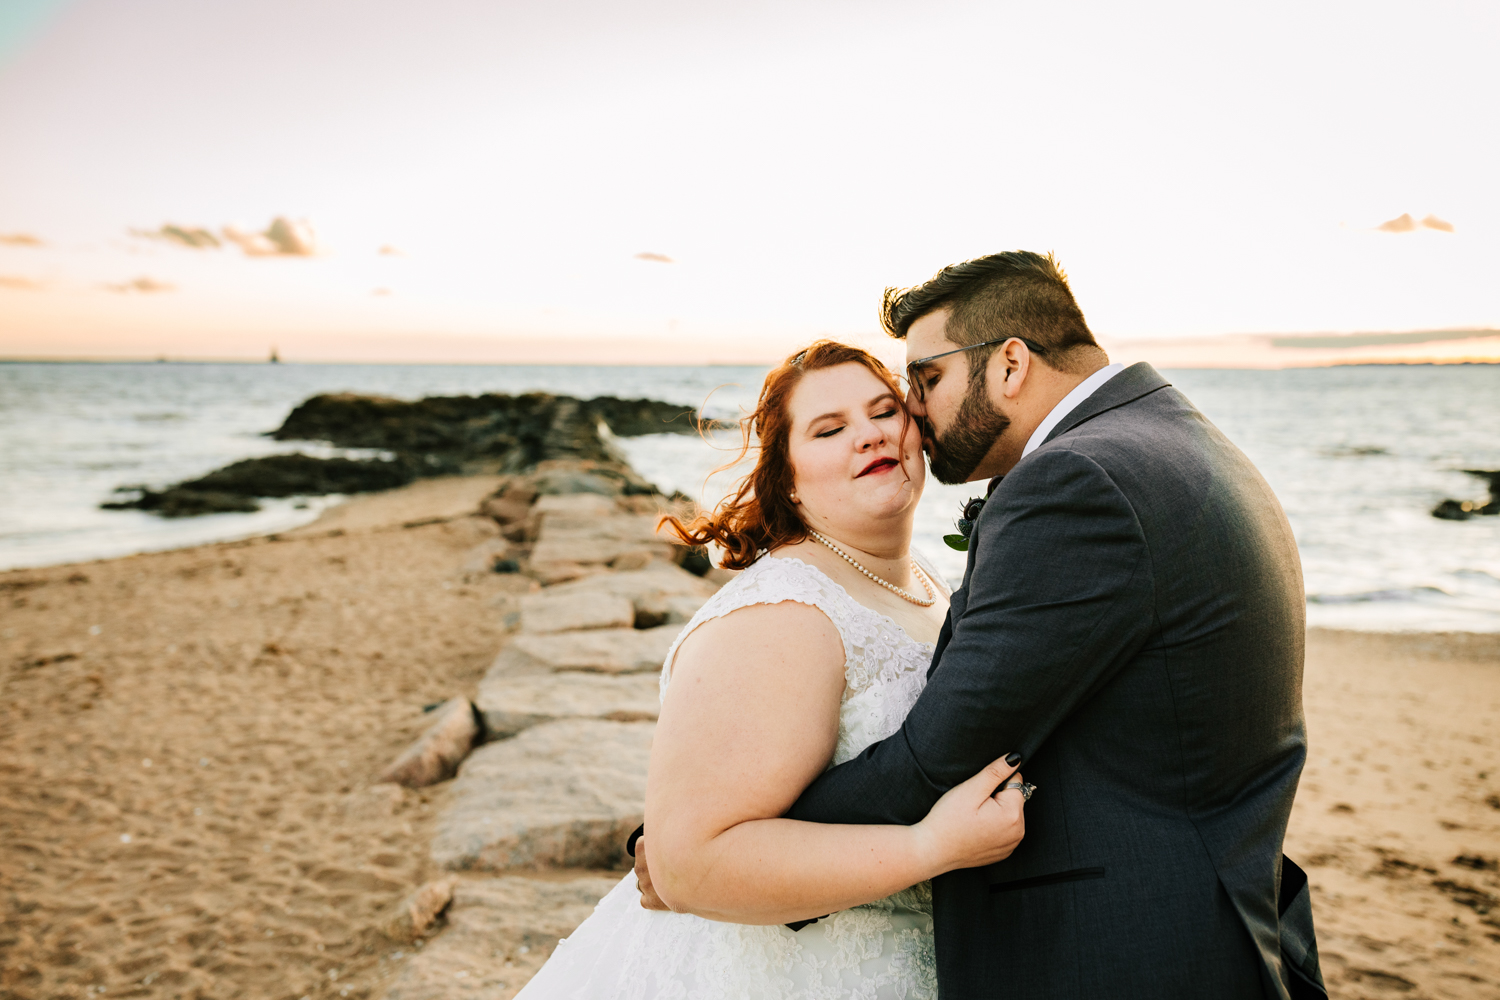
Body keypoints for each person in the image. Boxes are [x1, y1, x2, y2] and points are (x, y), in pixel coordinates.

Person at [641, 251, 1326, 999]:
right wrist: (712, 849)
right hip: (1206, 908)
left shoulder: (1078, 478)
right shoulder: (1174, 435)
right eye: (832, 428)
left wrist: (710, 855)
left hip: (1135, 941)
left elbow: (943, 753)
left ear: (1008, 365)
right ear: (791, 479)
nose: (912, 415)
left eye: (923, 383)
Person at [514, 340, 1029, 998]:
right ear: (786, 474)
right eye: (830, 428)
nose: (867, 436)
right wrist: (929, 848)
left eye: (882, 412)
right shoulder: (783, 611)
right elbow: (689, 866)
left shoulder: (922, 580)